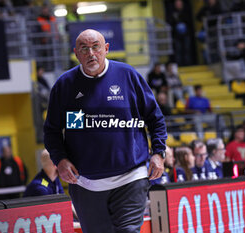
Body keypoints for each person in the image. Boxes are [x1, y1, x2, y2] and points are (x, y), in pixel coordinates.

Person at [44, 29, 167, 233]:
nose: (91, 53)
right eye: (84, 49)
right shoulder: (65, 85)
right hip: (85, 183)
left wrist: (158, 153)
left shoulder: (128, 76)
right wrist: (61, 160)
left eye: (96, 47)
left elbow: (155, 119)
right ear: (76, 53)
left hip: (131, 177)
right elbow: (51, 131)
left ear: (106, 49)